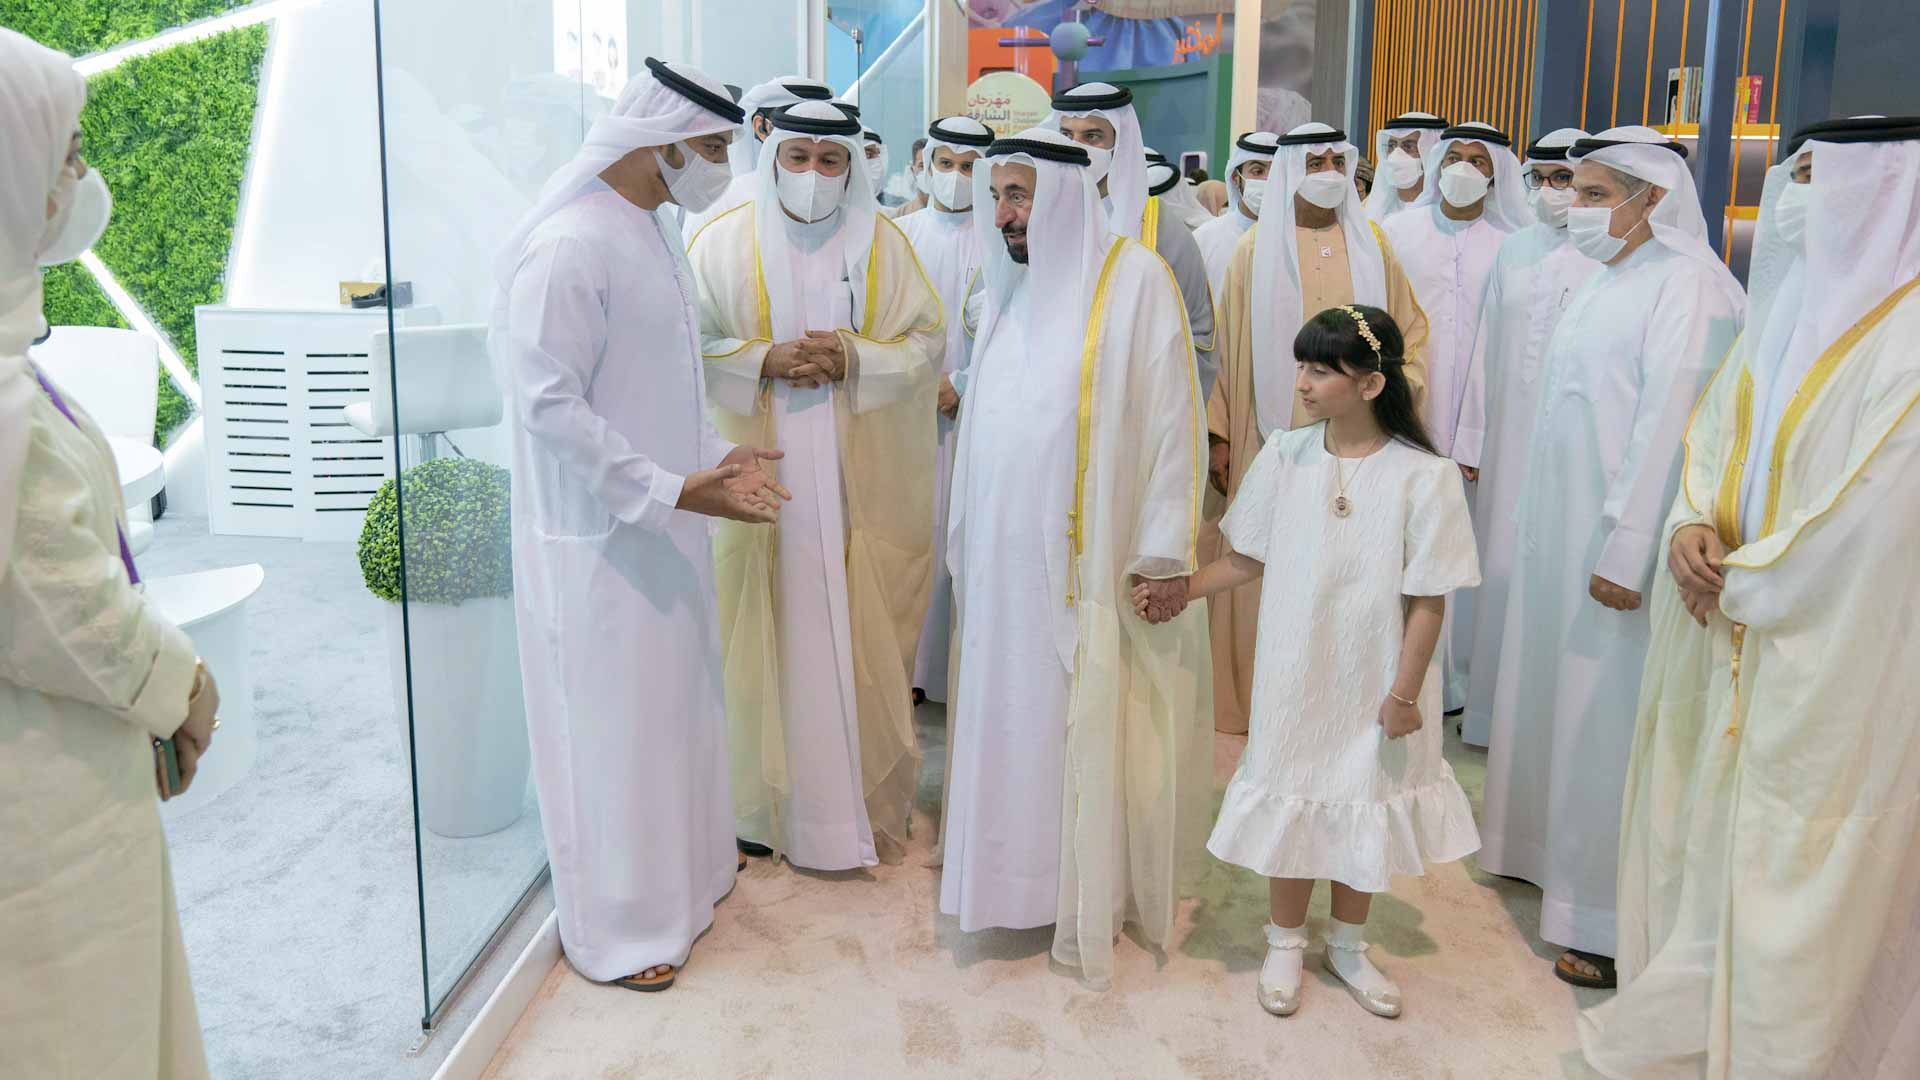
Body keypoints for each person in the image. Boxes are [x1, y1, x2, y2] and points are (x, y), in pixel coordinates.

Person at [1581, 116, 1920, 1080]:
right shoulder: (1784, 310)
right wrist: (1690, 522)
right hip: (1732, 629)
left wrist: (1743, 581)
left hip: (1832, 650)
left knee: (1807, 852)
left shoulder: (1907, 337)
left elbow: (1876, 508)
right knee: (1717, 837)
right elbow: (1714, 434)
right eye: (1792, 177)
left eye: (1817, 177)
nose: (1794, 198)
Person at [492, 58, 789, 994]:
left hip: (664, 523)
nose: (720, 167)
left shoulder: (652, 232)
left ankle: (687, 884)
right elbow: (548, 405)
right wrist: (666, 489)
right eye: (711, 147)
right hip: (600, 542)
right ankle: (621, 931)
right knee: (612, 739)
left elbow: (666, 384)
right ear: (660, 142)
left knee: (675, 719)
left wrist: (716, 459)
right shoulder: (569, 246)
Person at [1138, 305, 1480, 1019]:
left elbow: (1429, 599)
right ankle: (1285, 941)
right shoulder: (1285, 456)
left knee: (1363, 802)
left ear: (1371, 383)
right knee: (1294, 794)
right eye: (1301, 366)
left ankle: (1348, 944)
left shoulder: (1426, 476)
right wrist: (1181, 590)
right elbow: (1245, 558)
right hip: (1296, 670)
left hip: (1378, 676)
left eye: (1321, 370)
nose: (1302, 382)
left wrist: (1405, 694)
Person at [940, 127, 1211, 990]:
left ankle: (1079, 889)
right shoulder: (1005, 286)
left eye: (1019, 195)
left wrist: (1163, 551)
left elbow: (1173, 426)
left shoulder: (1136, 281)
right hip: (1004, 568)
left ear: (1062, 195)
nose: (1004, 214)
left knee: (1077, 716)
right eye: (997, 196)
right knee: (1008, 713)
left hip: (1086, 565)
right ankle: (1006, 879)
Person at [1478, 126, 1746, 991]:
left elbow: (1672, 430)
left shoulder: (1691, 287)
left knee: (1608, 727)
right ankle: (1543, 862)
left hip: (1623, 557)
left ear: (1652, 199)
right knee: (1562, 708)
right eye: (1573, 190)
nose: (1574, 206)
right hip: (1562, 539)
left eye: (1594, 194)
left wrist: (1627, 551)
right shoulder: (1613, 276)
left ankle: (1604, 916)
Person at [2, 28, 216, 1077]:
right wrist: (183, 684)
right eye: (67, 153)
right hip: (42, 804)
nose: (82, 179)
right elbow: (56, 600)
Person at [690, 99, 943, 870]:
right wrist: (759, 360)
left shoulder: (884, 243)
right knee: (759, 629)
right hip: (757, 472)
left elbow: (926, 339)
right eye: (797, 158)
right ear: (773, 160)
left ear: (851, 166)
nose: (812, 174)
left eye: (830, 160)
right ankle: (757, 808)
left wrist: (854, 358)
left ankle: (849, 808)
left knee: (847, 625)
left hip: (850, 477)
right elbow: (687, 344)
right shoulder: (720, 241)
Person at [1206, 121, 1429, 736]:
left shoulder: (1373, 244)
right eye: (1315, 163)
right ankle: (1260, 702)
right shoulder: (1254, 251)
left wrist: (1391, 399)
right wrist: (1221, 435)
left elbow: (1410, 334)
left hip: (1364, 444)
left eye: (1337, 161)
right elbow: (1226, 351)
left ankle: (1347, 702)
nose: (1329, 172)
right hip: (1271, 442)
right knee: (1265, 566)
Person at [1452, 128, 1600, 749]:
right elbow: (1485, 349)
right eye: (1539, 179)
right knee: (1500, 570)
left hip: (1578, 450)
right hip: (1509, 444)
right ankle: (1491, 713)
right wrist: (1473, 438)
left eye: (1563, 179)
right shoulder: (1514, 251)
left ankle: (1549, 728)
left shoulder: (1607, 256)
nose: (1549, 191)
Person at [1381, 120, 1530, 713]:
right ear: (1437, 164)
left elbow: (1504, 349)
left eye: (1479, 160)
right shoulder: (1396, 232)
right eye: (1454, 157)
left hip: (1476, 432)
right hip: (1402, 417)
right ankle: (1393, 674)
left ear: (1496, 175)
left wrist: (1474, 436)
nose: (1464, 168)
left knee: (1462, 557)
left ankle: (1457, 684)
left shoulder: (1512, 245)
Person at [896, 115, 994, 712]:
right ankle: (906, 668)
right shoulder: (896, 234)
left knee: (965, 535)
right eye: (946, 164)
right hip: (900, 418)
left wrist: (962, 384)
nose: (956, 177)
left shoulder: (1005, 238)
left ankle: (956, 669)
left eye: (969, 167)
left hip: (976, 418)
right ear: (927, 166)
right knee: (909, 535)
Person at [1047, 82, 1218, 397]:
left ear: (1120, 145)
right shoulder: (1040, 219)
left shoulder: (1159, 227)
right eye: (1067, 135)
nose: (1076, 147)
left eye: (1092, 137)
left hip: (1134, 399)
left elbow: (1197, 329)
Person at [679, 74, 833, 239]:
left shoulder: (835, 199)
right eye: (794, 126)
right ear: (761, 127)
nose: (811, 138)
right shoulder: (715, 203)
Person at [1193, 131, 1280, 297]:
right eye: (1257, 171)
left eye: (1276, 172)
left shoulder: (1297, 237)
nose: (1268, 180)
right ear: (1235, 177)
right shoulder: (1204, 239)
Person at [1365, 111, 1448, 223]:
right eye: (1391, 146)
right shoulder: (1369, 211)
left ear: (1431, 153)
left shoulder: (1447, 217)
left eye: (1409, 146)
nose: (1396, 155)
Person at [892, 135, 930, 218]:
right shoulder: (901, 214)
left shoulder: (952, 213)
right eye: (922, 166)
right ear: (913, 170)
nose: (928, 171)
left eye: (931, 165)